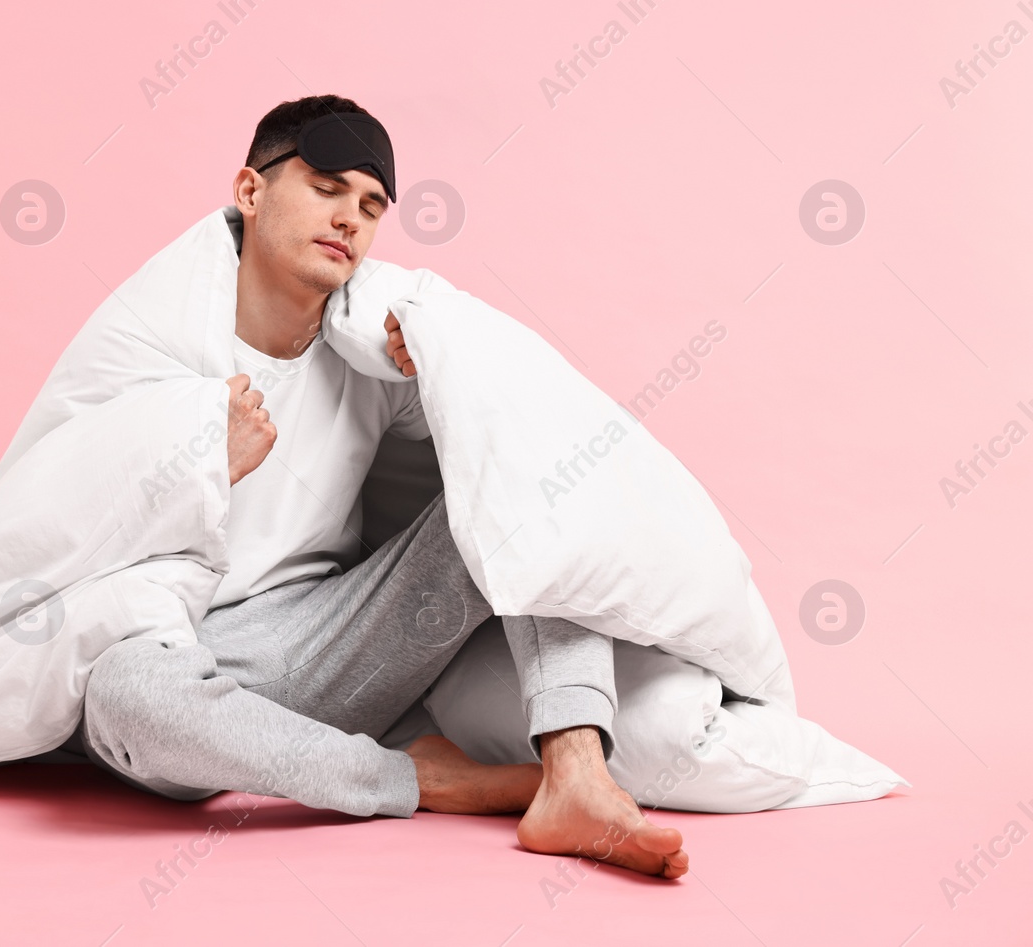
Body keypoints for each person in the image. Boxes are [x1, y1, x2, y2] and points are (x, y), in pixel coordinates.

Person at [64, 95, 688, 879]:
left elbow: (486, 454)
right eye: (326, 187)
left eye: (370, 204)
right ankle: (420, 777)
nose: (350, 218)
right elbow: (65, 518)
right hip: (183, 659)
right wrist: (195, 461)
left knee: (524, 464)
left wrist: (439, 366)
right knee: (122, 690)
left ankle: (576, 776)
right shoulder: (154, 332)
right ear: (251, 192)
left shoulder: (371, 350)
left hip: (335, 641)